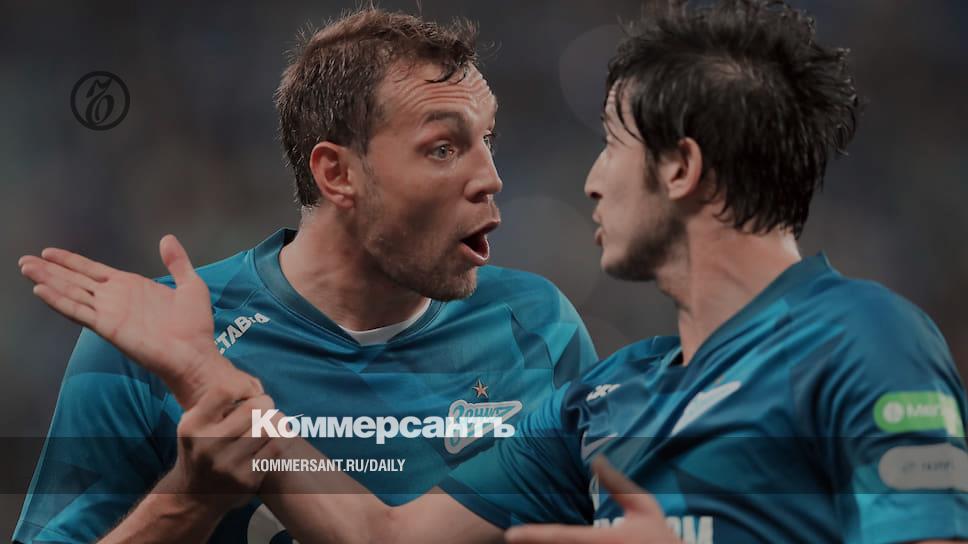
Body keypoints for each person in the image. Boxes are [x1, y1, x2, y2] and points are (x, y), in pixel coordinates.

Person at [21, 0, 968, 543]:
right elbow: (379, 537)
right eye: (446, 146)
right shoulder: (605, 398)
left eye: (611, 144)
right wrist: (212, 389)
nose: (587, 180)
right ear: (336, 173)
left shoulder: (868, 340)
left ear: (680, 168)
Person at [13, 8, 599, 543]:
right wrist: (187, 502)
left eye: (487, 139)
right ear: (337, 174)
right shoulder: (150, 343)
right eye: (443, 147)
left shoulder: (540, 332)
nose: (491, 177)